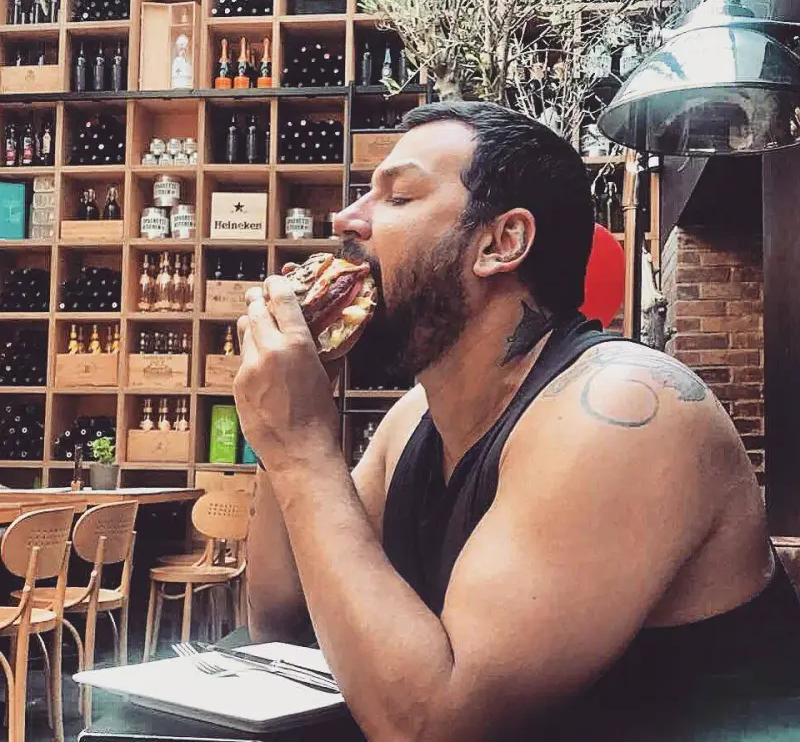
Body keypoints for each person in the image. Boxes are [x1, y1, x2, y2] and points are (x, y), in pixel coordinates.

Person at [233, 101, 800, 741]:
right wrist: (277, 434)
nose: (346, 218)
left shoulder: (623, 407)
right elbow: (284, 625)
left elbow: (436, 729)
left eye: (397, 197)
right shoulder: (414, 420)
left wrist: (302, 448)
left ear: (502, 243)